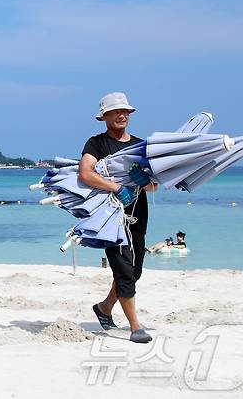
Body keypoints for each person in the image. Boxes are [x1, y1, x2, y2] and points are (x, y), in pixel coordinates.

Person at [78, 92, 157, 343]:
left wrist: (144, 182)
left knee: (135, 271)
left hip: (138, 214)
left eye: (125, 111)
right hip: (110, 216)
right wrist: (116, 187)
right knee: (123, 270)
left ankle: (104, 308)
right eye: (115, 112)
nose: (122, 115)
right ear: (104, 117)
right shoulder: (97, 144)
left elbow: (153, 186)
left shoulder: (141, 145)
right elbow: (85, 174)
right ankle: (135, 327)